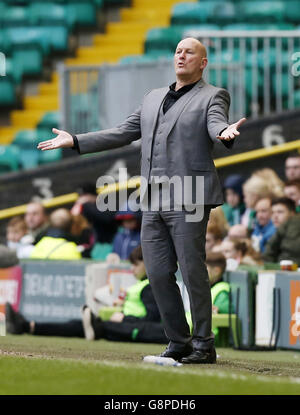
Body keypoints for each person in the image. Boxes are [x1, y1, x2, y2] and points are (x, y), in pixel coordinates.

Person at [37, 37, 246, 364]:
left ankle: (204, 344)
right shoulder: (152, 98)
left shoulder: (213, 96)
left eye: (189, 52)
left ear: (202, 63)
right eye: (178, 50)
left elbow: (216, 122)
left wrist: (224, 133)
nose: (181, 55)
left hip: (189, 195)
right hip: (153, 200)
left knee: (192, 271)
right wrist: (76, 140)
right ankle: (179, 341)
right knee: (158, 273)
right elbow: (122, 131)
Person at [5, 246, 166, 344]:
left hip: (132, 327)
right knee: (76, 325)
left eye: (135, 265)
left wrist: (124, 318)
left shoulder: (149, 287)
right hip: (126, 325)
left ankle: (26, 326)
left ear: (148, 263)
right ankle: (28, 326)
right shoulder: (141, 285)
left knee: (84, 326)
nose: (132, 269)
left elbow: (152, 319)